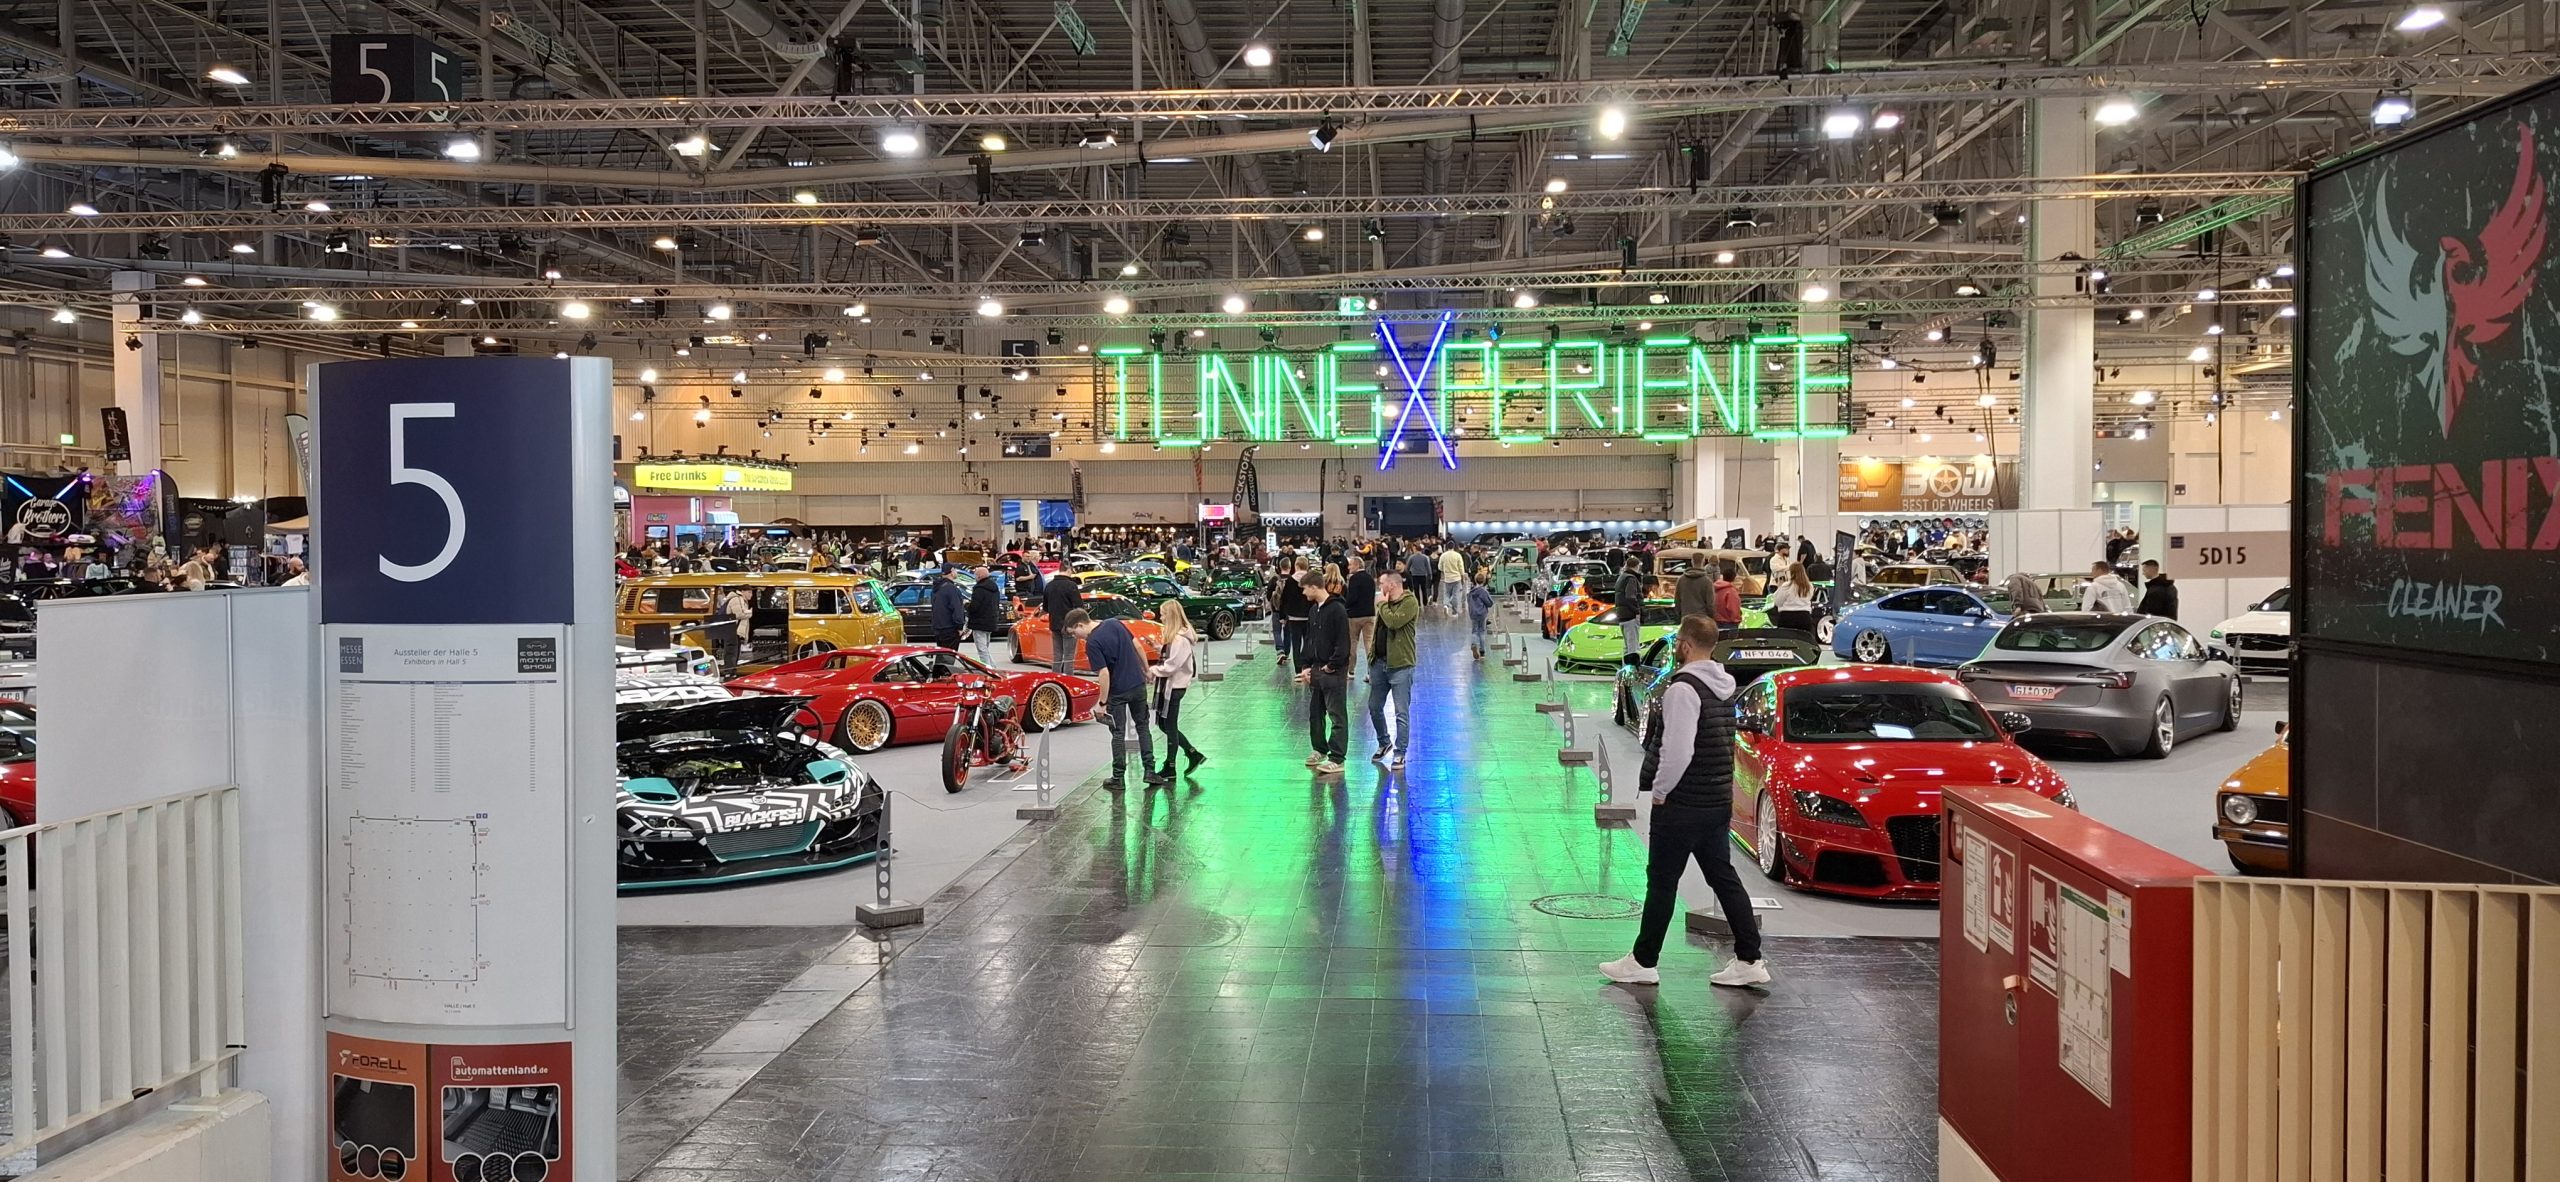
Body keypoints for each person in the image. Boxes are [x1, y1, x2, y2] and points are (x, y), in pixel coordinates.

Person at [1601, 615, 1770, 989]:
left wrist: (1661, 792)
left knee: (1662, 883)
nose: (1676, 645)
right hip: (1716, 800)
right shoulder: (1724, 686)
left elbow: (1677, 750)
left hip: (1682, 804)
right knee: (1723, 878)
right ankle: (1749, 958)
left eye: (1679, 640)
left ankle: (1643, 961)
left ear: (1687, 645)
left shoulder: (1683, 689)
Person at [1066, 607, 1167, 787]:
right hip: (1137, 685)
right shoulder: (1114, 623)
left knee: (1118, 733)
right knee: (1143, 727)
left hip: (1117, 691)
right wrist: (1146, 670)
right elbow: (1138, 646)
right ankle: (1150, 771)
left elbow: (1104, 674)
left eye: (1074, 633)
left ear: (1080, 625)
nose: (1075, 637)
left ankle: (1118, 777)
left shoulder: (1092, 643)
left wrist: (1102, 702)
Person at [1364, 571, 1421, 765]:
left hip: (1401, 665)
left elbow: (1394, 622)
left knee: (1401, 711)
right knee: (1374, 706)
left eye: (1382, 584)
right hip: (1379, 664)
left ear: (1392, 585)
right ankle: (1384, 742)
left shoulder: (1410, 602)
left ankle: (1400, 751)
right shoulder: (1385, 604)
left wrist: (1381, 604)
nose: (1380, 587)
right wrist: (1371, 658)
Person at [1296, 575, 1351, 775]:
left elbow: (1343, 642)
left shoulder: (1337, 610)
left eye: (1305, 588)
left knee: (1337, 714)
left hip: (1333, 671)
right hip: (1316, 669)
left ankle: (1337, 758)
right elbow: (1310, 639)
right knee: (1315, 713)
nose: (1303, 593)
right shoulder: (1313, 610)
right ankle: (1319, 749)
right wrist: (1306, 665)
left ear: (1314, 587)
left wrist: (1331, 665)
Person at [1148, 600, 1207, 777]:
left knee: (1169, 726)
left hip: (1174, 687)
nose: (1161, 618)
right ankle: (1191, 753)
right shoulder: (1177, 638)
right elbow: (1172, 656)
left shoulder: (1180, 639)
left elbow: (1172, 665)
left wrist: (1153, 670)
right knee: (1165, 724)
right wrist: (1158, 648)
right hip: (1172, 686)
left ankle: (1171, 765)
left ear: (1171, 616)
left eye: (1163, 614)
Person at [1042, 561, 1083, 675]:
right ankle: (1068, 680)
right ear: (1069, 569)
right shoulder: (1071, 586)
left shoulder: (1049, 585)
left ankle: (1056, 678)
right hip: (1069, 626)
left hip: (1054, 625)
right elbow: (1079, 607)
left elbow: (1045, 607)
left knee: (1057, 655)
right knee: (1069, 656)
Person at [966, 563, 1005, 664]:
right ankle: (992, 666)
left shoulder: (979, 589)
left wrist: (966, 606)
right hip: (991, 620)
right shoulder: (994, 587)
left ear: (979, 576)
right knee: (985, 648)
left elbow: (975, 606)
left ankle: (987, 668)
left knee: (982, 649)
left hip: (979, 622)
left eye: (975, 574)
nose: (975, 577)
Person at [1343, 562, 1377, 678]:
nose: (1348, 567)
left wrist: (1345, 606)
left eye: (1351, 565)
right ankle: (1371, 671)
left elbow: (1352, 597)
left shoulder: (1354, 579)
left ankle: (1350, 671)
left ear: (1357, 565)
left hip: (1355, 615)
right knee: (1369, 643)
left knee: (1353, 642)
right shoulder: (1370, 578)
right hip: (1369, 614)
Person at [1614, 557, 1650, 658]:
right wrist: (1637, 611)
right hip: (1631, 615)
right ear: (1637, 566)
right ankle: (1633, 667)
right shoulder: (1631, 578)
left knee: (1627, 647)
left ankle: (1626, 666)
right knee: (1633, 648)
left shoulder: (1622, 577)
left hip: (1622, 615)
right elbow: (1630, 597)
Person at [713, 585, 752, 675]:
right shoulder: (736, 599)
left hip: (734, 629)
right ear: (742, 591)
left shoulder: (741, 600)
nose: (751, 595)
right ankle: (729, 672)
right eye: (749, 592)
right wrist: (750, 613)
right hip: (731, 629)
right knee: (731, 651)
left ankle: (732, 671)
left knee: (735, 651)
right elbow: (738, 614)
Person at [1767, 564, 1816, 634]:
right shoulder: (1809, 586)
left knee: (1787, 638)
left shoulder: (1786, 586)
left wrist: (1779, 587)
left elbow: (1777, 602)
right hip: (1804, 617)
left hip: (1787, 617)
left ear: (1791, 573)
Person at [929, 567, 968, 652]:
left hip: (938, 627)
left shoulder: (936, 588)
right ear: (951, 572)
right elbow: (957, 609)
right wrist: (960, 626)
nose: (956, 572)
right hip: (950, 628)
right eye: (955, 570)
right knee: (949, 656)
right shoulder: (952, 589)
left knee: (942, 654)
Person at [1466, 569, 1495, 661]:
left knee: (1474, 631)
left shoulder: (1471, 592)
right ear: (1484, 580)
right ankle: (1482, 652)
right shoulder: (1483, 592)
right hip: (1482, 614)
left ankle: (1474, 644)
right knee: (1482, 631)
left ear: (1475, 580)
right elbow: (1490, 603)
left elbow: (1468, 602)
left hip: (1473, 614)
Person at [1711, 560, 1743, 632]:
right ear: (1734, 578)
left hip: (1715, 621)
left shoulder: (1714, 588)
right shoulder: (1731, 591)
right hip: (1729, 623)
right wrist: (1737, 619)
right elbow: (1733, 608)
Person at [1437, 543, 1469, 616]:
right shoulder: (1457, 555)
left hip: (1447, 578)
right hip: (1456, 578)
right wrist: (1463, 575)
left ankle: (1446, 605)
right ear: (1454, 547)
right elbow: (1461, 567)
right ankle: (1454, 611)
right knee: (1455, 594)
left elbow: (1439, 567)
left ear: (1446, 547)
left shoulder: (1443, 555)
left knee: (1447, 593)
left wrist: (1444, 570)